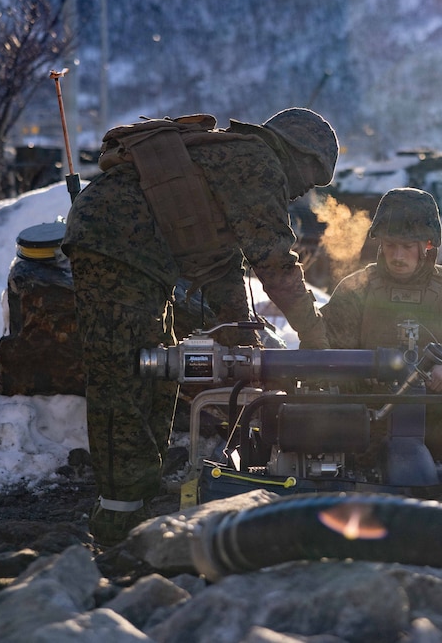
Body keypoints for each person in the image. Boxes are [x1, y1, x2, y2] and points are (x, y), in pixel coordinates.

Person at [62, 108, 337, 547]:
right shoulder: (259, 163)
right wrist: (316, 335)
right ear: (298, 153)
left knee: (157, 367)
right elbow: (275, 262)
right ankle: (118, 514)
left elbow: (222, 264)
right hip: (114, 243)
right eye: (312, 175)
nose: (304, 190)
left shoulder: (236, 160)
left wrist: (241, 336)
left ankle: (140, 493)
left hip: (141, 255)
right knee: (124, 372)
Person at [320, 188, 442, 470]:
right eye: (390, 245)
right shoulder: (356, 290)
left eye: (407, 246)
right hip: (368, 416)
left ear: (427, 245)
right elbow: (324, 358)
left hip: (436, 417)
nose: (398, 255)